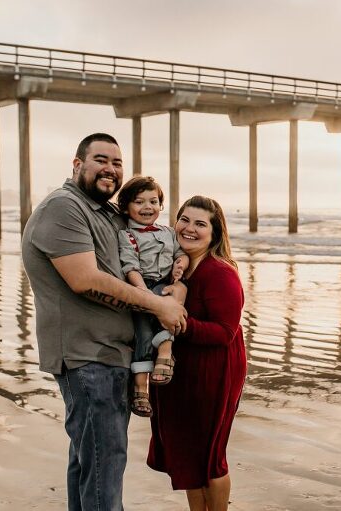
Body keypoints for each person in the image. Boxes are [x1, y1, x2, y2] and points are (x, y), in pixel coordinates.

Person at [21, 133, 187, 511]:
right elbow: (85, 280)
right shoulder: (64, 207)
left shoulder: (104, 211)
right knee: (104, 466)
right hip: (87, 354)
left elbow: (147, 250)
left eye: (117, 162)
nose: (110, 169)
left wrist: (178, 282)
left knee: (89, 462)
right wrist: (158, 307)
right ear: (77, 164)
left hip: (111, 353)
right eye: (100, 160)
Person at [147, 195, 247, 511]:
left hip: (214, 372)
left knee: (210, 456)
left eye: (200, 224)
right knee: (187, 454)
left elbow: (225, 331)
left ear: (215, 233)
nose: (189, 229)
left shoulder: (220, 272)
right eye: (185, 220)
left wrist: (180, 323)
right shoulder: (176, 267)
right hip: (181, 370)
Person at [116, 176, 189, 417]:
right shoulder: (126, 236)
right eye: (139, 202)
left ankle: (166, 354)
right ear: (126, 207)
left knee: (166, 312)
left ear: (161, 205)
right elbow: (130, 267)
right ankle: (140, 388)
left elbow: (181, 254)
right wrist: (144, 295)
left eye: (153, 201)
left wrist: (180, 264)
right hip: (142, 287)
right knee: (143, 335)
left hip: (164, 284)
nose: (148, 207)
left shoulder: (168, 232)